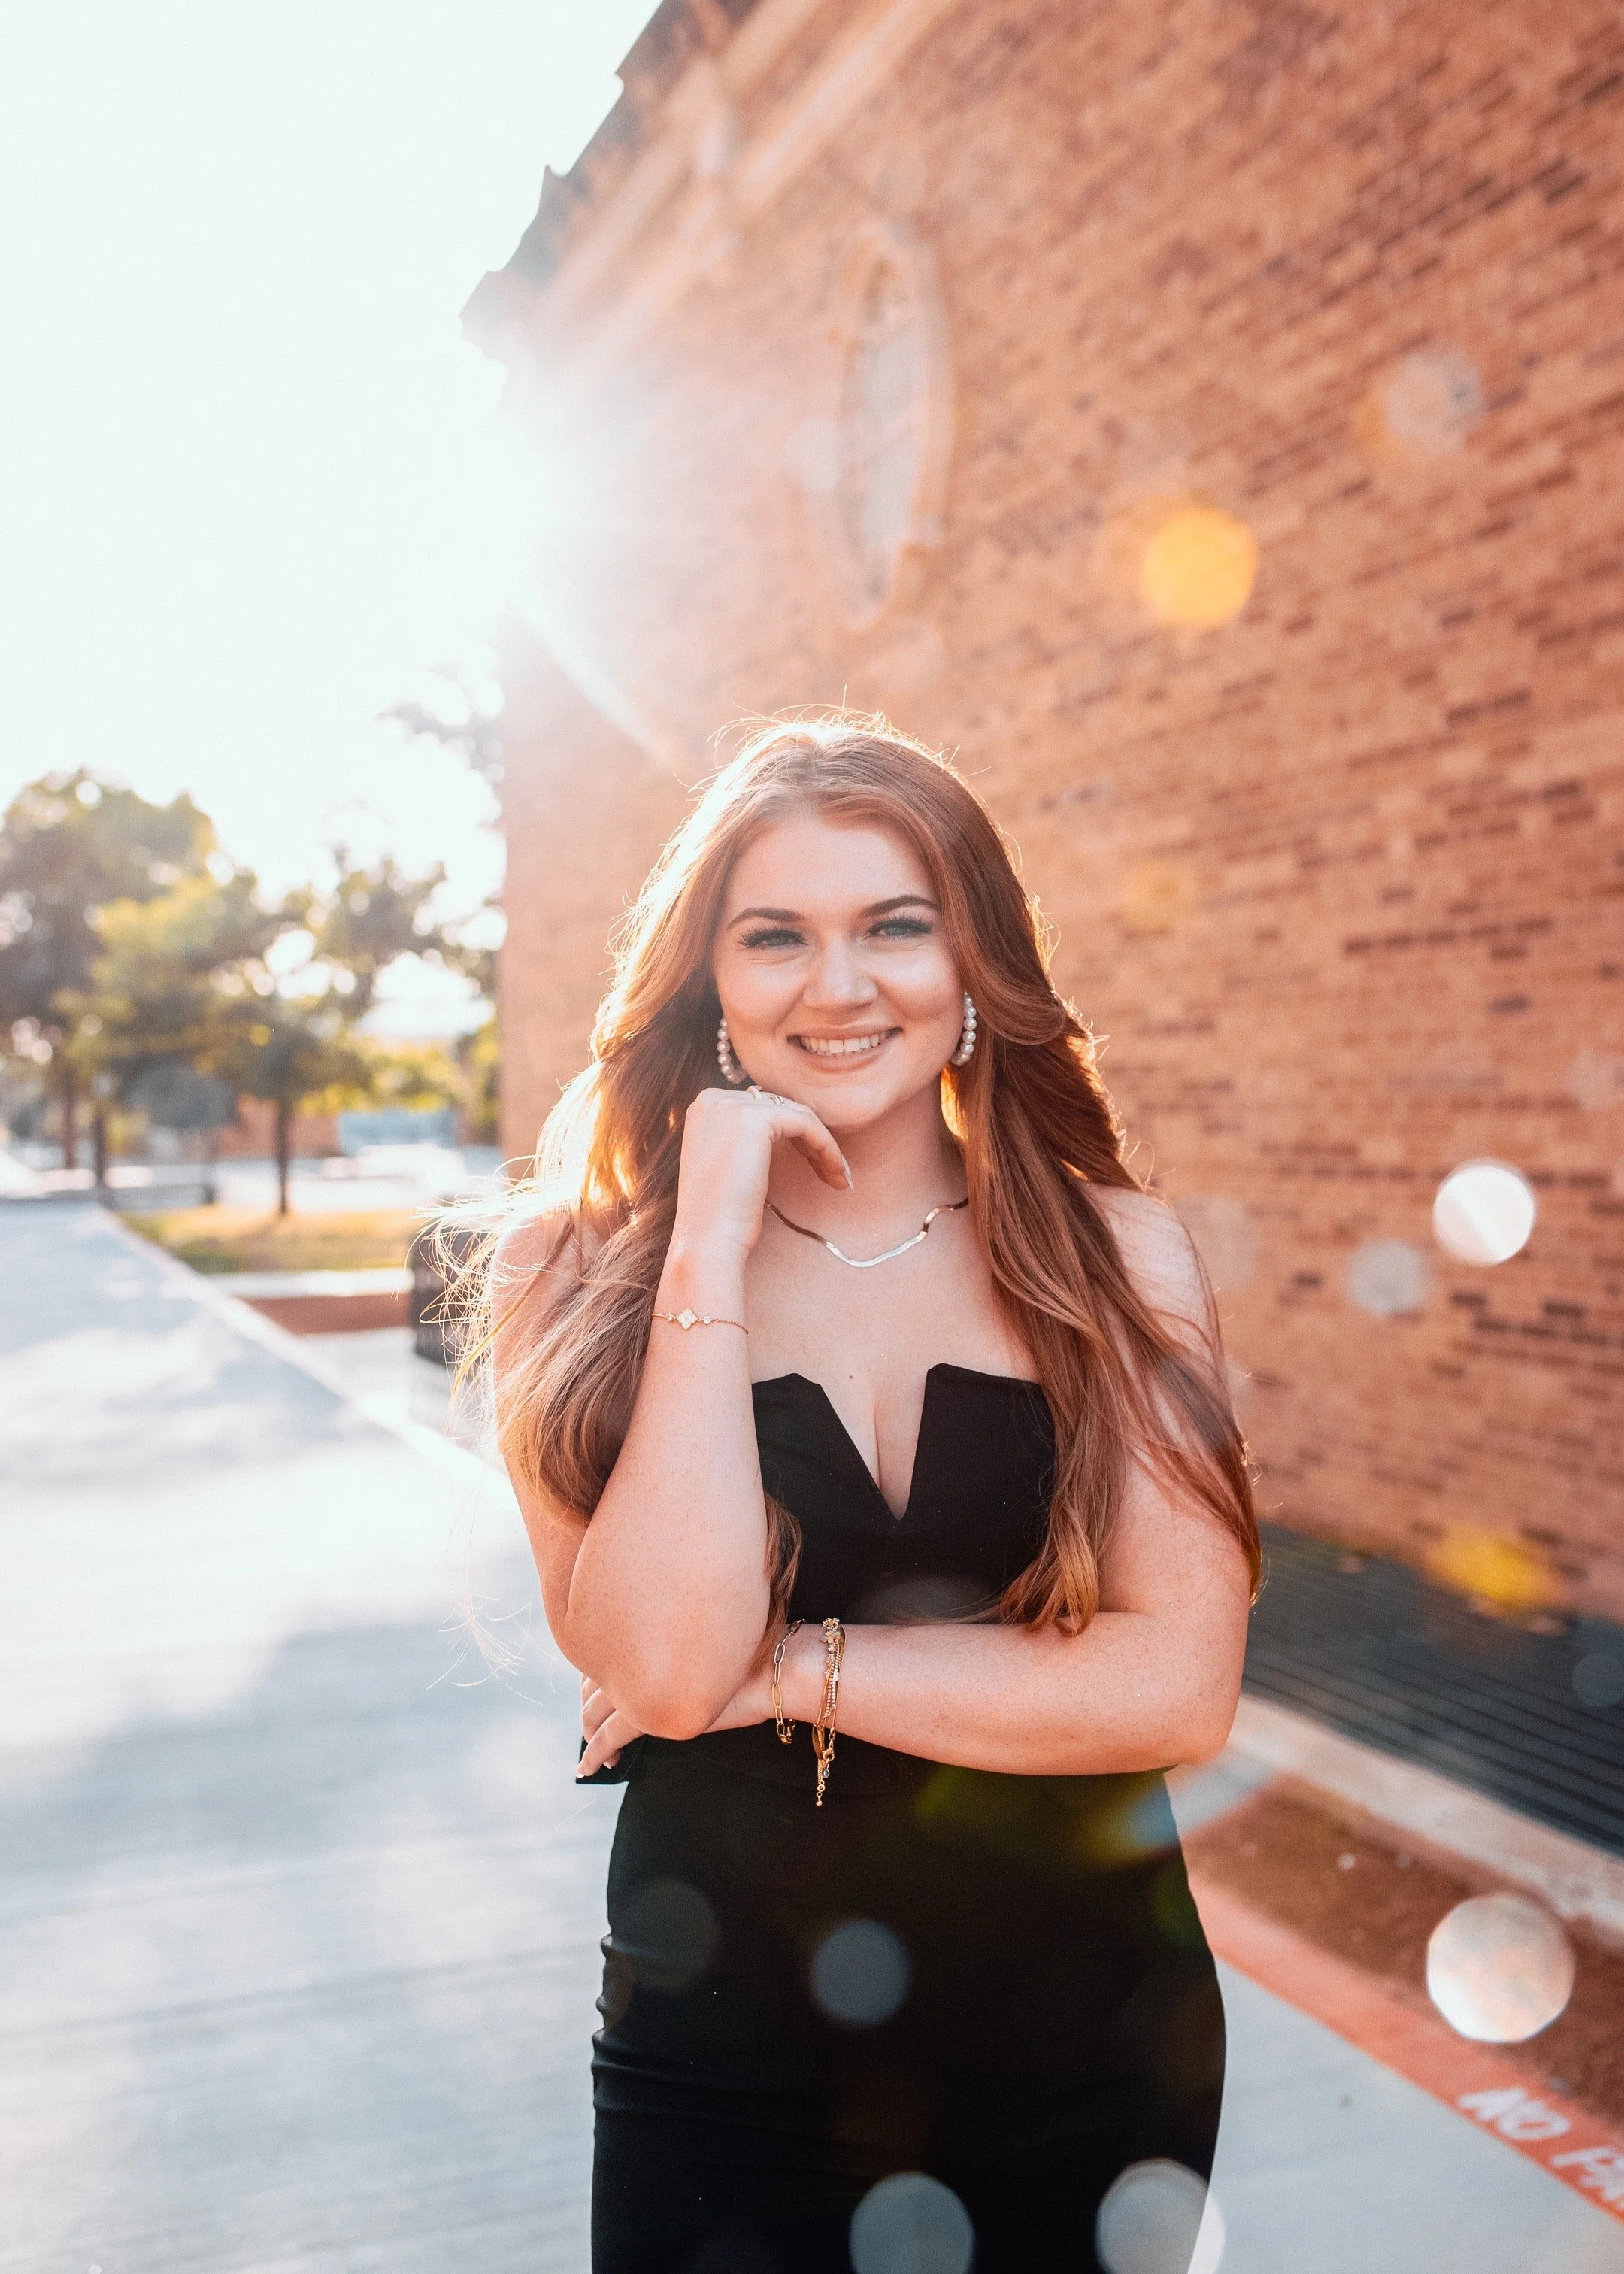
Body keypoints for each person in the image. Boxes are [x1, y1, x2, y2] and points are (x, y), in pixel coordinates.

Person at [476, 716, 1259, 2273]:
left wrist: (787, 1671)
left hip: (1090, 2043)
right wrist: (703, 1246)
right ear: (712, 983)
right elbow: (659, 1662)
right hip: (722, 2047)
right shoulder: (570, 1271)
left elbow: (1175, 1685)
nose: (840, 986)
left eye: (896, 926)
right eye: (778, 936)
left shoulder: (1117, 1259)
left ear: (976, 969)